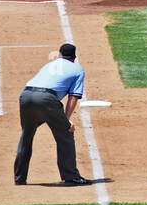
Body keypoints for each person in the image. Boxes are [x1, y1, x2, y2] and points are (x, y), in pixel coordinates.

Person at [13, 42, 92, 187]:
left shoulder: (48, 65)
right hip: (46, 99)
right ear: (74, 58)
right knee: (66, 132)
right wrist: (66, 121)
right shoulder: (77, 69)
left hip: (26, 95)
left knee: (27, 135)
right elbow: (73, 97)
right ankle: (71, 176)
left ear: (60, 55)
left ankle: (19, 178)